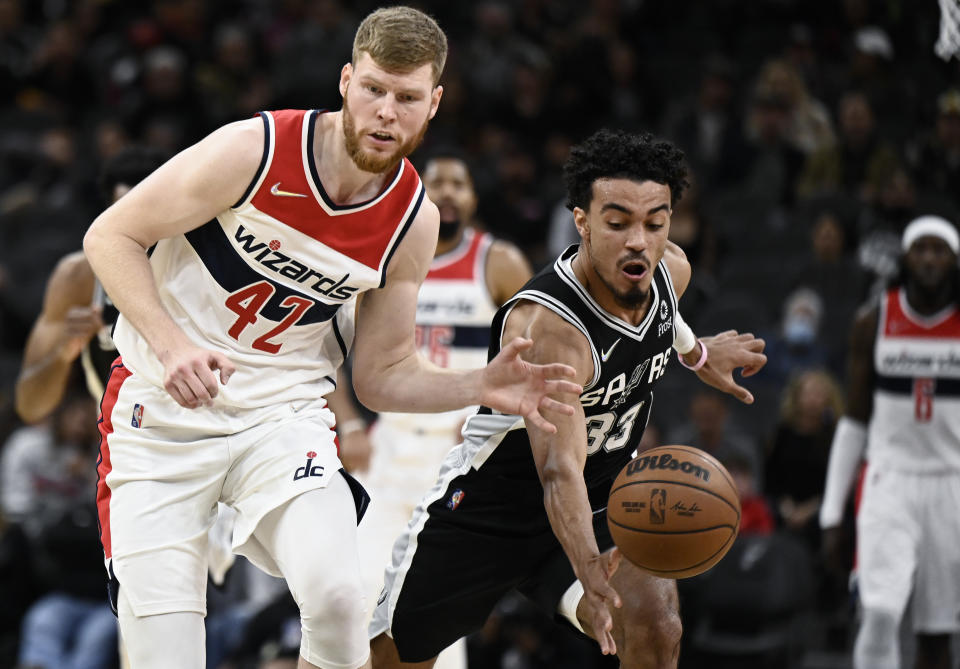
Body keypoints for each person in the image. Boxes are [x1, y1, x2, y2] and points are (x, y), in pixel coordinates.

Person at [81, 7, 580, 669]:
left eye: (406, 98)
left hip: (280, 419)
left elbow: (379, 374)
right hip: (160, 412)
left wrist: (478, 384)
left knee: (343, 595)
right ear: (346, 81)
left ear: (432, 105)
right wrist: (172, 346)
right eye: (373, 89)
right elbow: (109, 236)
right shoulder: (255, 149)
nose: (385, 112)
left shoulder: (412, 219)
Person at [368, 129, 767, 668]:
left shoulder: (671, 269)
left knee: (656, 623)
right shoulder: (552, 332)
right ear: (581, 221)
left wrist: (696, 353)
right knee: (392, 659)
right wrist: (587, 567)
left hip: (601, 499)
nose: (639, 242)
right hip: (492, 510)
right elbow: (558, 469)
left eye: (656, 222)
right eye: (618, 221)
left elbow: (660, 313)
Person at [327, 149, 533, 669]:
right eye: (434, 181)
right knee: (356, 599)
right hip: (390, 449)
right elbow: (323, 350)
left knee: (431, 608)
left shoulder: (497, 261)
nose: (445, 191)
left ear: (473, 198)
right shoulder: (382, 261)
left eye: (457, 183)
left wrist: (495, 421)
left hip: (460, 453)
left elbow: (537, 354)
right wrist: (350, 424)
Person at [820, 215, 960, 669]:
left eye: (941, 251)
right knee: (878, 613)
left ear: (954, 262)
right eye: (922, 249)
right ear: (905, 258)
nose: (930, 259)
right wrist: (831, 512)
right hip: (889, 480)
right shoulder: (874, 319)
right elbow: (854, 420)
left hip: (952, 484)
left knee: (937, 633)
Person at [15, 146, 167, 425]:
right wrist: (64, 352)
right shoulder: (80, 276)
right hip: (124, 437)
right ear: (109, 215)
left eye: (146, 211)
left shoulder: (203, 263)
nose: (137, 226)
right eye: (125, 213)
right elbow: (30, 406)